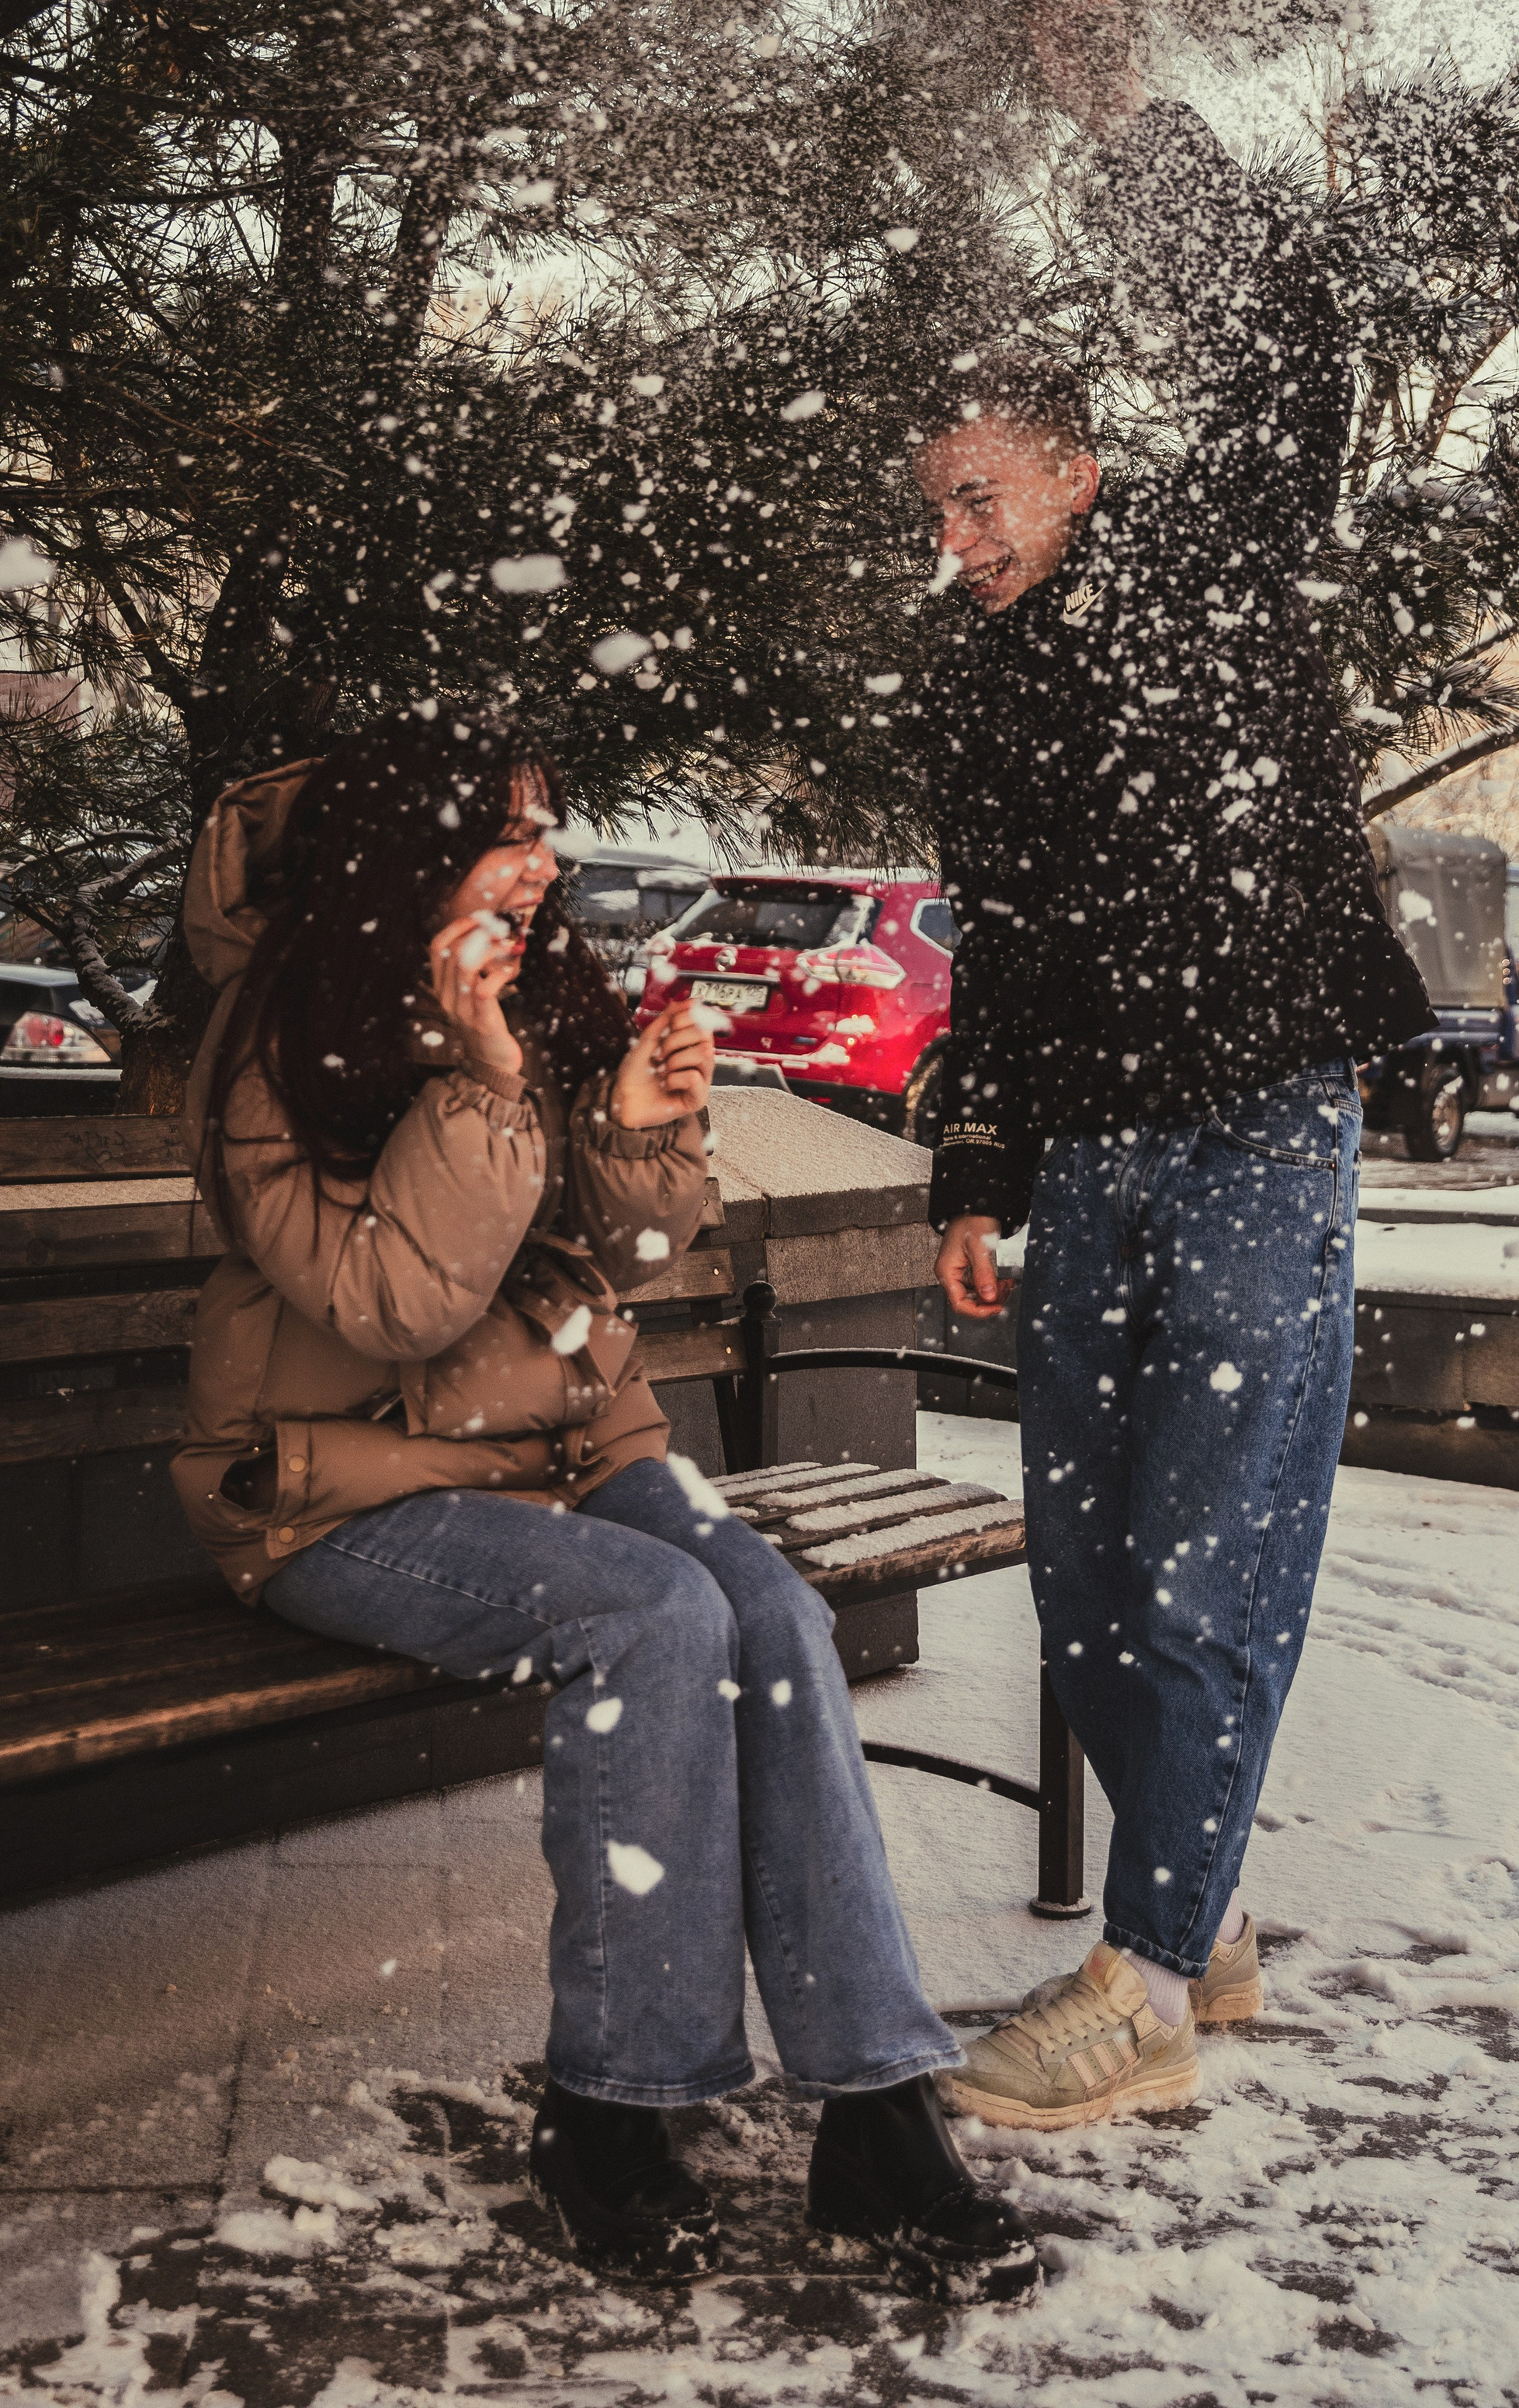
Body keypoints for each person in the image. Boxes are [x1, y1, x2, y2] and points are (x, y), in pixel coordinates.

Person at [171, 707, 1041, 2303]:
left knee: (771, 1612)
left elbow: (611, 1271)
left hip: (566, 1450)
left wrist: (640, 1141)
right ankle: (610, 2112)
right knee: (651, 1617)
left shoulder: (533, 982)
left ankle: (874, 2112)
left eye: (546, 821)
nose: (545, 856)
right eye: (512, 827)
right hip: (337, 1485)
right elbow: (393, 1309)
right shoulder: (271, 1035)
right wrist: (493, 1080)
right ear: (413, 857)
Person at [907, 0, 1436, 2132]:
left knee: (1215, 1557)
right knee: (1083, 1566)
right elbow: (998, 952)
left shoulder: (1206, 560)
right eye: (936, 505)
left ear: (1077, 471)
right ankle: (1194, 1918)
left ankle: (1138, 1980)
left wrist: (1127, 126)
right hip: (1098, 1156)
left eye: (983, 493)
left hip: (1254, 1125)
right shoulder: (979, 684)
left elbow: (1289, 350)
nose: (959, 530)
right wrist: (974, 1170)